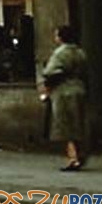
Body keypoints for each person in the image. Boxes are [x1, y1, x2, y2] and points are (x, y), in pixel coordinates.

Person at [42, 25, 89, 171]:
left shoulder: (60, 53)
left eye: (57, 35)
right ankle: (80, 153)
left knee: (66, 127)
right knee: (78, 124)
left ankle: (73, 158)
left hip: (64, 91)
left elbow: (51, 73)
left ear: (61, 37)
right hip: (79, 88)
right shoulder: (80, 52)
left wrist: (46, 90)